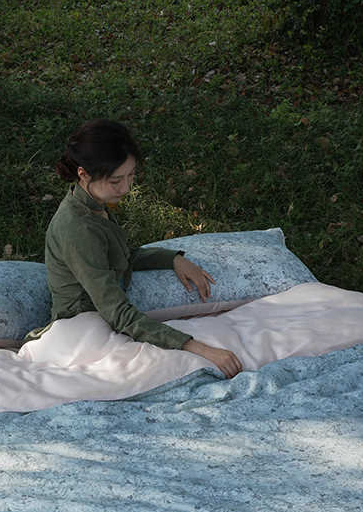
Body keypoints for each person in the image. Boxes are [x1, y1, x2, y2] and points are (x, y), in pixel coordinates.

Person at [24, 118, 242, 380]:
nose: (126, 188)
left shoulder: (91, 205)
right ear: (83, 174)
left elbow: (117, 256)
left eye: (131, 175)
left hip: (100, 320)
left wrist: (172, 258)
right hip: (80, 330)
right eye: (116, 180)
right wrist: (193, 346)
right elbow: (115, 310)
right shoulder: (78, 229)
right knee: (181, 367)